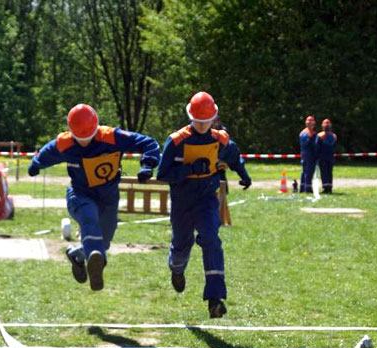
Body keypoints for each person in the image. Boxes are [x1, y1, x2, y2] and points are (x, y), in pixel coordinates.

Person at [28, 104, 160, 291]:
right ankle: (97, 264)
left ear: (96, 129)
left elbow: (149, 143)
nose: (84, 142)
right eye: (79, 138)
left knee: (104, 239)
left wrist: (147, 165)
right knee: (89, 218)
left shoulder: (112, 137)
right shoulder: (65, 142)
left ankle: (78, 255)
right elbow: (46, 153)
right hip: (80, 195)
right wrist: (36, 165)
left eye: (88, 138)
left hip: (109, 197)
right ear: (71, 131)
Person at [156, 92, 251, 318]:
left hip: (207, 200)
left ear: (214, 118)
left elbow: (235, 156)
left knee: (211, 239)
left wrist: (244, 174)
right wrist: (189, 170)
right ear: (191, 118)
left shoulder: (221, 139)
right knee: (181, 245)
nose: (202, 125)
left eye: (206, 121)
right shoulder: (176, 140)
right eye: (198, 121)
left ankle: (215, 298)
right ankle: (177, 269)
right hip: (182, 202)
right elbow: (162, 174)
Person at [316, 118, 337, 194]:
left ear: (323, 126)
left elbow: (316, 146)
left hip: (322, 157)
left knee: (324, 172)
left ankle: (325, 188)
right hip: (330, 157)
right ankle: (330, 188)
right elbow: (334, 146)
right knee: (329, 172)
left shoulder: (320, 135)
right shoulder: (334, 136)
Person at [298, 115, 317, 193]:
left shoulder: (302, 133)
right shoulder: (311, 134)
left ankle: (302, 188)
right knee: (309, 172)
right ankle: (308, 188)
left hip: (304, 155)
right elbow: (314, 145)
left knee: (304, 171)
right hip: (310, 155)